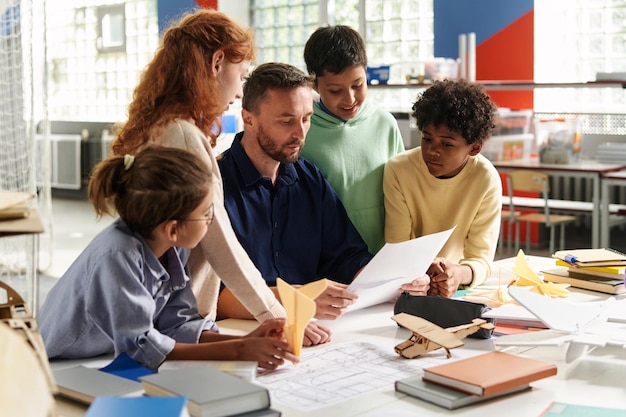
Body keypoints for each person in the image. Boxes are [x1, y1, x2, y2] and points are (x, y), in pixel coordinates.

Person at [107, 9, 326, 341]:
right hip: (175, 319)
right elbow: (218, 238)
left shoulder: (161, 125)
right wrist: (279, 316)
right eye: (241, 76)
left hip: (159, 312)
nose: (239, 92)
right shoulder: (182, 135)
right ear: (217, 62)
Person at [39, 146, 297, 371]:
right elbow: (140, 348)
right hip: (58, 364)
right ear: (174, 228)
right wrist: (239, 352)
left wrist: (246, 341)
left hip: (103, 355)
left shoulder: (171, 246)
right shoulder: (117, 256)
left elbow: (176, 326)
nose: (211, 220)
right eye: (207, 213)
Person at [216, 62, 374, 321]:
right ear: (248, 119)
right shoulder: (215, 186)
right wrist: (295, 299)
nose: (300, 134)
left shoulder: (309, 178)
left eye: (306, 119)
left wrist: (388, 283)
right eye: (286, 121)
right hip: (244, 335)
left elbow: (347, 256)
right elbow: (213, 297)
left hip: (317, 328)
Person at [383, 79, 501, 297]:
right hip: (408, 284)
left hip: (454, 288)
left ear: (474, 147)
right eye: (427, 139)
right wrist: (423, 275)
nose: (432, 151)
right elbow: (397, 247)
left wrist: (458, 274)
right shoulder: (398, 170)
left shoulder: (486, 179)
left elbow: (481, 260)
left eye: (447, 144)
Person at [300, 25, 405, 254]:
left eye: (358, 85)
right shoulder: (303, 131)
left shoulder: (384, 124)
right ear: (315, 85)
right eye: (335, 91)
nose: (350, 99)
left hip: (382, 256)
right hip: (326, 261)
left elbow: (403, 193)